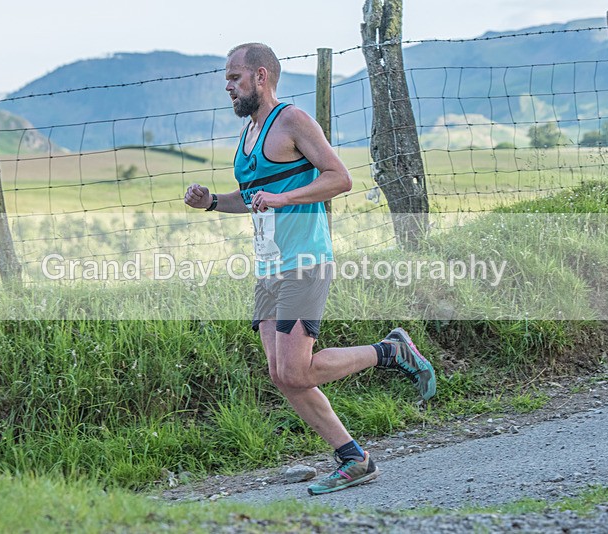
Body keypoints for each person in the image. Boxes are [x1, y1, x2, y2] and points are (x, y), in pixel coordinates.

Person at [184, 42, 436, 495]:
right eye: (226, 78)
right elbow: (255, 196)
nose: (228, 85)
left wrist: (283, 199)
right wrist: (213, 203)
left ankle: (392, 352)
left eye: (234, 77)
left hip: (305, 260)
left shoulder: (293, 120)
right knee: (282, 375)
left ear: (261, 76)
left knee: (296, 372)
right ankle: (353, 458)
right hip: (269, 267)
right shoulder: (247, 137)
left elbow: (340, 177)